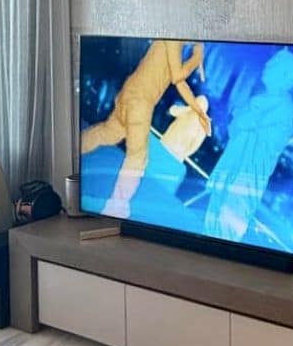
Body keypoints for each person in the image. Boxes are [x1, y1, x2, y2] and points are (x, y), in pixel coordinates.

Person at [80, 40, 208, 218]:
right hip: (140, 102)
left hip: (131, 93)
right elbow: (178, 76)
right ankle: (116, 207)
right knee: (137, 157)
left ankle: (72, 150)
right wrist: (197, 56)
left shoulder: (170, 46)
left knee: (108, 132)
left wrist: (196, 109)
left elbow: (181, 85)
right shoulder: (172, 41)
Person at [201, 46, 293, 240]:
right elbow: (235, 127)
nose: (267, 65)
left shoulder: (285, 108)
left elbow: (251, 127)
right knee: (211, 222)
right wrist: (245, 119)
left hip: (246, 177)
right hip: (231, 166)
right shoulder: (260, 100)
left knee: (227, 227)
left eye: (273, 64)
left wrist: (246, 118)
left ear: (286, 76)